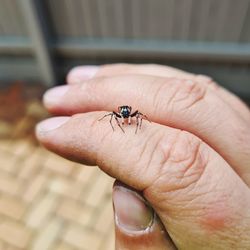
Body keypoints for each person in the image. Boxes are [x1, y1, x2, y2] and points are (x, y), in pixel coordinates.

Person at [36, 64, 250, 250]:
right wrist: (117, 123)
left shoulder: (134, 115)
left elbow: (140, 116)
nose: (126, 118)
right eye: (125, 116)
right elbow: (113, 115)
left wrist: (138, 123)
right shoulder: (117, 114)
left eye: (128, 116)